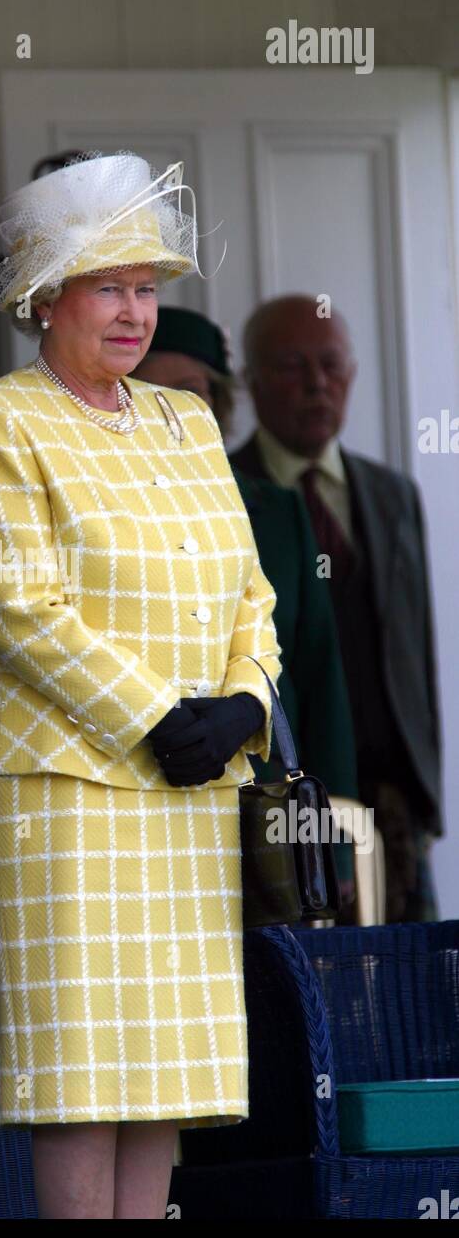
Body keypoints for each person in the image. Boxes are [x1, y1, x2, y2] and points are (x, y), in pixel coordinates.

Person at [0, 153, 281, 1219]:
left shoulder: (183, 423)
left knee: (163, 1083)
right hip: (63, 789)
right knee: (83, 1079)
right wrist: (159, 715)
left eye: (145, 286)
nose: (134, 312)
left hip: (189, 784)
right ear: (46, 296)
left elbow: (249, 592)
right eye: (107, 286)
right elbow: (19, 606)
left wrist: (245, 705)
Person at [136, 307, 359, 909]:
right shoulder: (103, 509)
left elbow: (317, 679)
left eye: (201, 392)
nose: (187, 408)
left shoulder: (277, 510)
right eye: (166, 391)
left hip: (262, 828)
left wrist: (334, 845)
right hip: (140, 808)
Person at [230, 294, 442, 922]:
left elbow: (415, 651)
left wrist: (425, 796)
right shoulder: (222, 490)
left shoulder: (391, 495)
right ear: (252, 381)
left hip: (391, 806)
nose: (316, 384)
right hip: (276, 800)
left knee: (406, 1002)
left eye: (332, 365)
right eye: (293, 365)